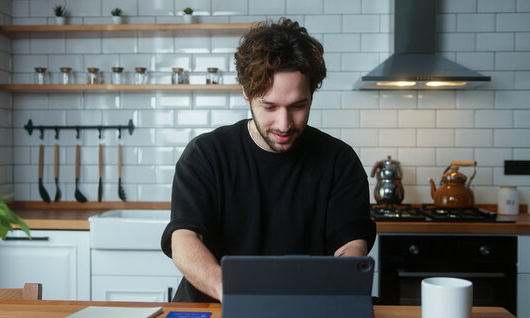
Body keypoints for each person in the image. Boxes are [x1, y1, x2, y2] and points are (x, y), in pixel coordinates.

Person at [161, 18, 376, 303]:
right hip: (214, 311)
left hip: (306, 308)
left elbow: (351, 245)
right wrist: (232, 292)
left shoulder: (339, 161)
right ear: (246, 94)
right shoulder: (206, 155)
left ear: (311, 95)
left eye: (298, 106)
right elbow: (184, 240)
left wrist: (338, 286)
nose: (284, 123)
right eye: (269, 106)